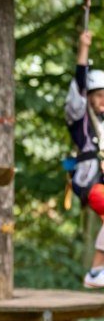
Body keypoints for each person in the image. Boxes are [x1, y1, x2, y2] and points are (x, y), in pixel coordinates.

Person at [63, 32, 104, 287]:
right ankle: (95, 270)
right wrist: (83, 49)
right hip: (88, 183)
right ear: (89, 96)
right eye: (98, 96)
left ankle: (97, 272)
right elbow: (78, 86)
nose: (103, 101)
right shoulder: (81, 119)